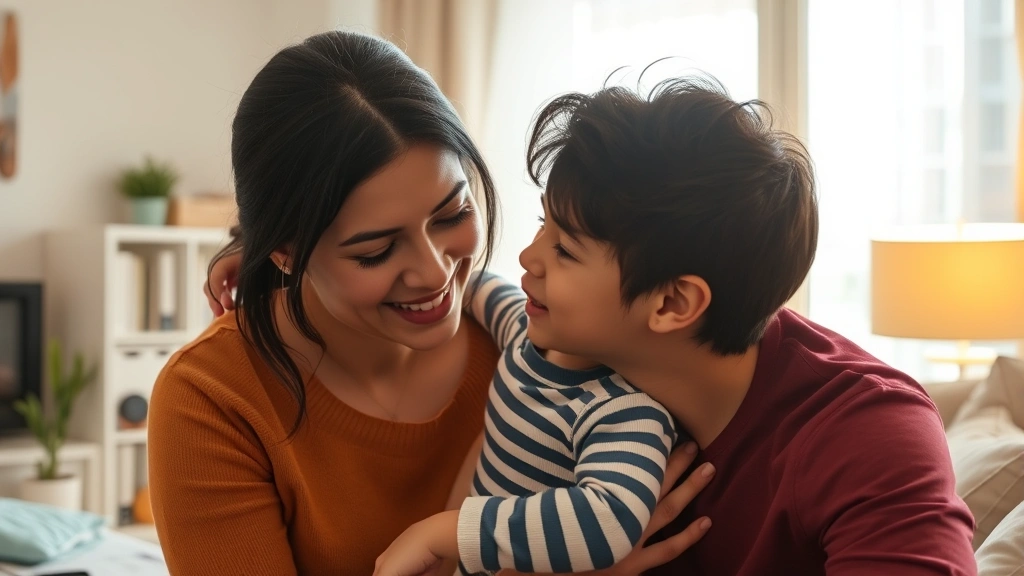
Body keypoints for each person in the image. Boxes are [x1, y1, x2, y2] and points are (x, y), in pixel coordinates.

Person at [364, 76, 976, 574]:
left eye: (567, 250)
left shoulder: (870, 439)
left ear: (673, 304)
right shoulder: (571, 372)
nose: (527, 258)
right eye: (542, 225)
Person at [149, 31, 708, 576]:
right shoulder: (212, 398)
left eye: (451, 216)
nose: (437, 273)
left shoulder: (530, 333)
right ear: (286, 253)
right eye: (375, 250)